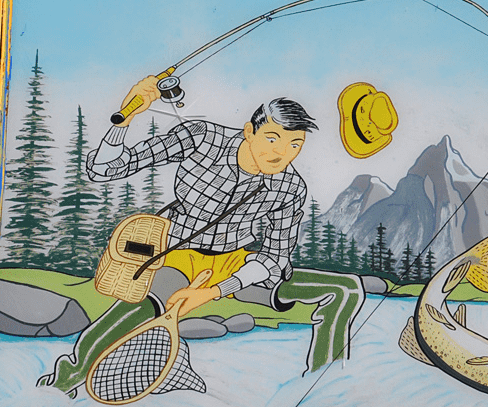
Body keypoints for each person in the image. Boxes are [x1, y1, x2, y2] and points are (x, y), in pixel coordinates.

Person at [86, 75, 317, 316]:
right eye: (271, 139)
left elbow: (275, 255)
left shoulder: (290, 186)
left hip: (234, 262)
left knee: (317, 290)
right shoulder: (202, 138)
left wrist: (215, 291)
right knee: (141, 312)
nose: (281, 152)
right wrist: (125, 119)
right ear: (249, 132)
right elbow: (103, 169)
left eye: (295, 145)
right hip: (176, 253)